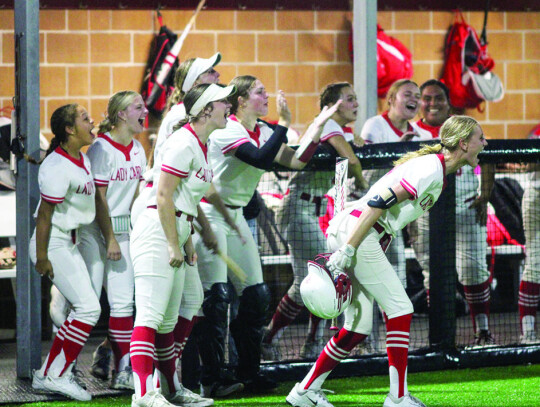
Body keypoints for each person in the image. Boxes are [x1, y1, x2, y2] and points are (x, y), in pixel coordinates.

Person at [286, 115, 488, 407]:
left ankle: (304, 391)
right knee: (401, 308)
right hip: (359, 233)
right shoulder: (432, 169)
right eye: (480, 138)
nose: (484, 143)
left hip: (357, 231)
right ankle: (398, 397)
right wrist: (349, 249)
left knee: (358, 327)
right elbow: (378, 201)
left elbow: (393, 206)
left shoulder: (436, 170)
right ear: (463, 142)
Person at [193, 75, 341, 397]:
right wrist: (284, 125)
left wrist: (318, 123)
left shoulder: (262, 131)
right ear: (241, 100)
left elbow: (297, 161)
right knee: (217, 299)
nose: (267, 97)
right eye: (260, 92)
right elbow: (260, 158)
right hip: (208, 213)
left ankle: (248, 372)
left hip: (235, 215)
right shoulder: (229, 129)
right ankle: (213, 379)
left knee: (257, 295)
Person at [129, 83, 236, 407]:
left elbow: (184, 200)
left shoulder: (199, 144)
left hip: (176, 227)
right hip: (156, 230)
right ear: (206, 110)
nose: (228, 107)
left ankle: (171, 389)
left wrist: (189, 237)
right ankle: (143, 394)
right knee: (149, 315)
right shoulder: (183, 143)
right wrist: (174, 245)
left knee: (174, 313)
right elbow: (163, 197)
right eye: (223, 103)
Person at [262, 82, 368, 360]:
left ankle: (304, 340)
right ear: (331, 106)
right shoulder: (330, 125)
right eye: (349, 99)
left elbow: (345, 167)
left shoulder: (341, 130)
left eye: (355, 99)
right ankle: (274, 338)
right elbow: (352, 160)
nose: (355, 103)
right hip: (297, 207)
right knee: (315, 278)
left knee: (319, 278)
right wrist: (364, 182)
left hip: (315, 209)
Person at [410, 79, 496, 346]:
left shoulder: (467, 127)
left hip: (467, 205)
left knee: (472, 269)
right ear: (420, 102)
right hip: (425, 212)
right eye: (427, 98)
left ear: (448, 102)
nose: (432, 103)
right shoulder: (411, 132)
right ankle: (437, 337)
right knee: (431, 274)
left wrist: (486, 195)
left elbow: (488, 158)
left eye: (438, 98)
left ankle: (482, 331)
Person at [75, 91, 147, 389]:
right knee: (85, 305)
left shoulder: (139, 149)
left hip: (125, 232)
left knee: (122, 305)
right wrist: (110, 240)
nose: (145, 111)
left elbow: (139, 197)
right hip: (97, 233)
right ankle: (62, 368)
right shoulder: (101, 149)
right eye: (138, 107)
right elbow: (99, 199)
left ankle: (122, 369)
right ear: (121, 114)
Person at [30, 104, 98, 401]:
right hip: (53, 243)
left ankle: (48, 372)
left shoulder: (80, 158)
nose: (91, 121)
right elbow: (44, 216)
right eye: (85, 118)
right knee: (89, 309)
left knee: (82, 310)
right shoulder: (57, 166)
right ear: (69, 129)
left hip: (68, 242)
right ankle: (56, 375)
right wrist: (42, 257)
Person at [360, 79, 424, 289]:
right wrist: (398, 149)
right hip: (363, 208)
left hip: (392, 212)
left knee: (396, 274)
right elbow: (367, 175)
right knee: (360, 276)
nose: (414, 99)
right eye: (407, 94)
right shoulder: (374, 126)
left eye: (417, 95)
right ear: (391, 99)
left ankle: (394, 320)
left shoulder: (418, 135)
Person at [518, 123, 540, 344]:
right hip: (537, 198)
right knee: (536, 263)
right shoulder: (537, 132)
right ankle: (528, 332)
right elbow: (526, 165)